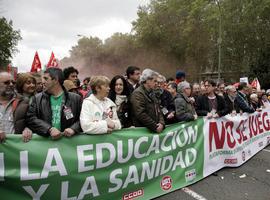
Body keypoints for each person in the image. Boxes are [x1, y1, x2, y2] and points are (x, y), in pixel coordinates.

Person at [26, 68, 82, 139]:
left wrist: (73, 129)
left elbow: (83, 119)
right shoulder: (37, 99)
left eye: (46, 79)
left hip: (69, 144)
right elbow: (31, 119)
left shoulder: (76, 98)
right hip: (46, 145)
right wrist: (49, 129)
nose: (42, 82)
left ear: (55, 80)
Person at [130, 69, 165, 133]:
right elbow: (141, 114)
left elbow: (159, 110)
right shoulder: (138, 94)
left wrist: (161, 123)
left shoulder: (153, 93)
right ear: (147, 80)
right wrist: (155, 126)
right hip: (143, 133)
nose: (157, 84)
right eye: (155, 81)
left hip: (154, 130)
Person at [0, 72, 31, 143]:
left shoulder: (24, 101)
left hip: (15, 150)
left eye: (13, 82)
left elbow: (31, 121)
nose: (11, 85)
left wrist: (28, 129)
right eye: (6, 82)